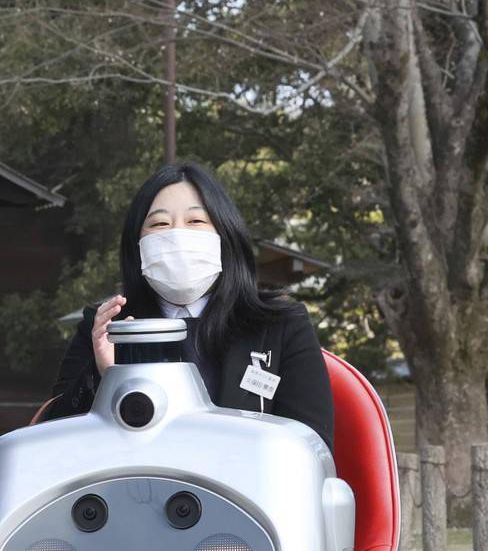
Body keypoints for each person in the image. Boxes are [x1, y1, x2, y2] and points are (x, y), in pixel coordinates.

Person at [39, 160, 336, 450]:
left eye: (196, 221)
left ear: (225, 236)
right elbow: (51, 440)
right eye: (159, 224)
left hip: (248, 494)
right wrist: (102, 375)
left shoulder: (280, 325)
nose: (176, 235)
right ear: (136, 246)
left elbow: (311, 447)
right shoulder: (108, 327)